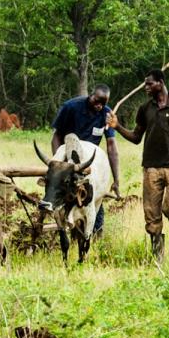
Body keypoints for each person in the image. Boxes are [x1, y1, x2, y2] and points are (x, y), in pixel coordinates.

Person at [107, 68, 169, 262]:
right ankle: (158, 257)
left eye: (149, 83)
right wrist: (117, 127)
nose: (146, 87)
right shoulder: (145, 109)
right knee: (151, 213)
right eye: (145, 84)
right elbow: (136, 137)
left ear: (161, 83)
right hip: (151, 168)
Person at [51, 85, 121, 235]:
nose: (99, 106)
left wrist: (116, 179)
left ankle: (94, 235)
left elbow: (111, 145)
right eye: (96, 101)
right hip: (69, 161)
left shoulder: (106, 114)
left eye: (103, 103)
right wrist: (58, 165)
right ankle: (64, 225)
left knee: (95, 200)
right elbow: (56, 136)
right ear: (91, 95)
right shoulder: (71, 107)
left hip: (90, 165)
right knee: (61, 197)